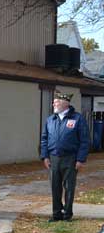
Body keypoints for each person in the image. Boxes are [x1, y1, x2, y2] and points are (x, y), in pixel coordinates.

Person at [40, 91, 89, 222]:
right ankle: (56, 214)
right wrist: (45, 156)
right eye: (54, 102)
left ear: (65, 103)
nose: (54, 104)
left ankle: (67, 214)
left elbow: (84, 140)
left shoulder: (77, 118)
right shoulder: (50, 119)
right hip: (53, 158)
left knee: (69, 187)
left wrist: (80, 159)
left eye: (56, 101)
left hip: (70, 158)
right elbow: (44, 139)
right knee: (55, 187)